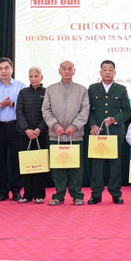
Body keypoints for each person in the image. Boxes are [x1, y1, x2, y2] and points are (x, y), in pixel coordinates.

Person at [42, 60, 90, 206]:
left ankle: (77, 196)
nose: (67, 71)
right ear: (59, 71)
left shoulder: (82, 90)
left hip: (74, 135)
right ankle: (58, 196)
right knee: (58, 168)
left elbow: (85, 110)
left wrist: (74, 126)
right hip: (56, 135)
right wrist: (55, 125)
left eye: (70, 69)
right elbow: (45, 110)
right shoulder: (50, 89)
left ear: (74, 71)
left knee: (76, 168)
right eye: (64, 69)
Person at [87, 60, 131, 205]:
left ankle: (116, 193)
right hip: (97, 133)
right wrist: (92, 124)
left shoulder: (121, 89)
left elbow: (127, 111)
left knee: (115, 165)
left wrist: (115, 119)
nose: (107, 72)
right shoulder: (92, 88)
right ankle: (96, 194)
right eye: (104, 69)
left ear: (114, 72)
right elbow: (88, 110)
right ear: (100, 72)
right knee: (97, 165)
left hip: (115, 132)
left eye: (110, 69)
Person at [0, 57, 26, 202]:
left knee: (17, 160)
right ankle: (2, 191)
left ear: (12, 69)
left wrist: (12, 104)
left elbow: (23, 107)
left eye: (6, 68)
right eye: (0, 68)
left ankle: (17, 191)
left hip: (16, 126)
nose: (3, 71)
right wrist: (0, 106)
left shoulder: (20, 86)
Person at [16, 67, 48, 204]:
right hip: (25, 135)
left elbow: (48, 113)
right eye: (31, 76)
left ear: (42, 77)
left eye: (36, 76)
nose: (33, 78)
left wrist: (39, 129)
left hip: (41, 134)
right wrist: (27, 129)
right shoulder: (23, 93)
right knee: (27, 165)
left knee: (40, 166)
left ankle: (39, 194)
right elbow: (19, 112)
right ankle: (27, 194)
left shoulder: (47, 93)